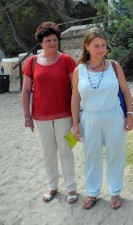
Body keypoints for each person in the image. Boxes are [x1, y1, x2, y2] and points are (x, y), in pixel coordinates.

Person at [71, 27, 133, 210]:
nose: (100, 49)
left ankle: (115, 191)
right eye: (96, 45)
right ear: (87, 46)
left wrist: (129, 115)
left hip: (113, 116)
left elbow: (125, 91)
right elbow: (75, 98)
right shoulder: (79, 70)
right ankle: (92, 192)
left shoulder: (114, 66)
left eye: (104, 45)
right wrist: (75, 124)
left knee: (116, 155)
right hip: (89, 118)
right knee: (91, 157)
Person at [21, 22, 78, 204]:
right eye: (48, 40)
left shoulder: (67, 60)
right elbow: (25, 91)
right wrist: (27, 116)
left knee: (66, 150)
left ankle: (71, 188)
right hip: (41, 116)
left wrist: (78, 117)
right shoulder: (32, 62)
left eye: (55, 39)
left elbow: (76, 90)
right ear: (40, 43)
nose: (52, 43)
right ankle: (52, 186)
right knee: (49, 152)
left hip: (65, 114)